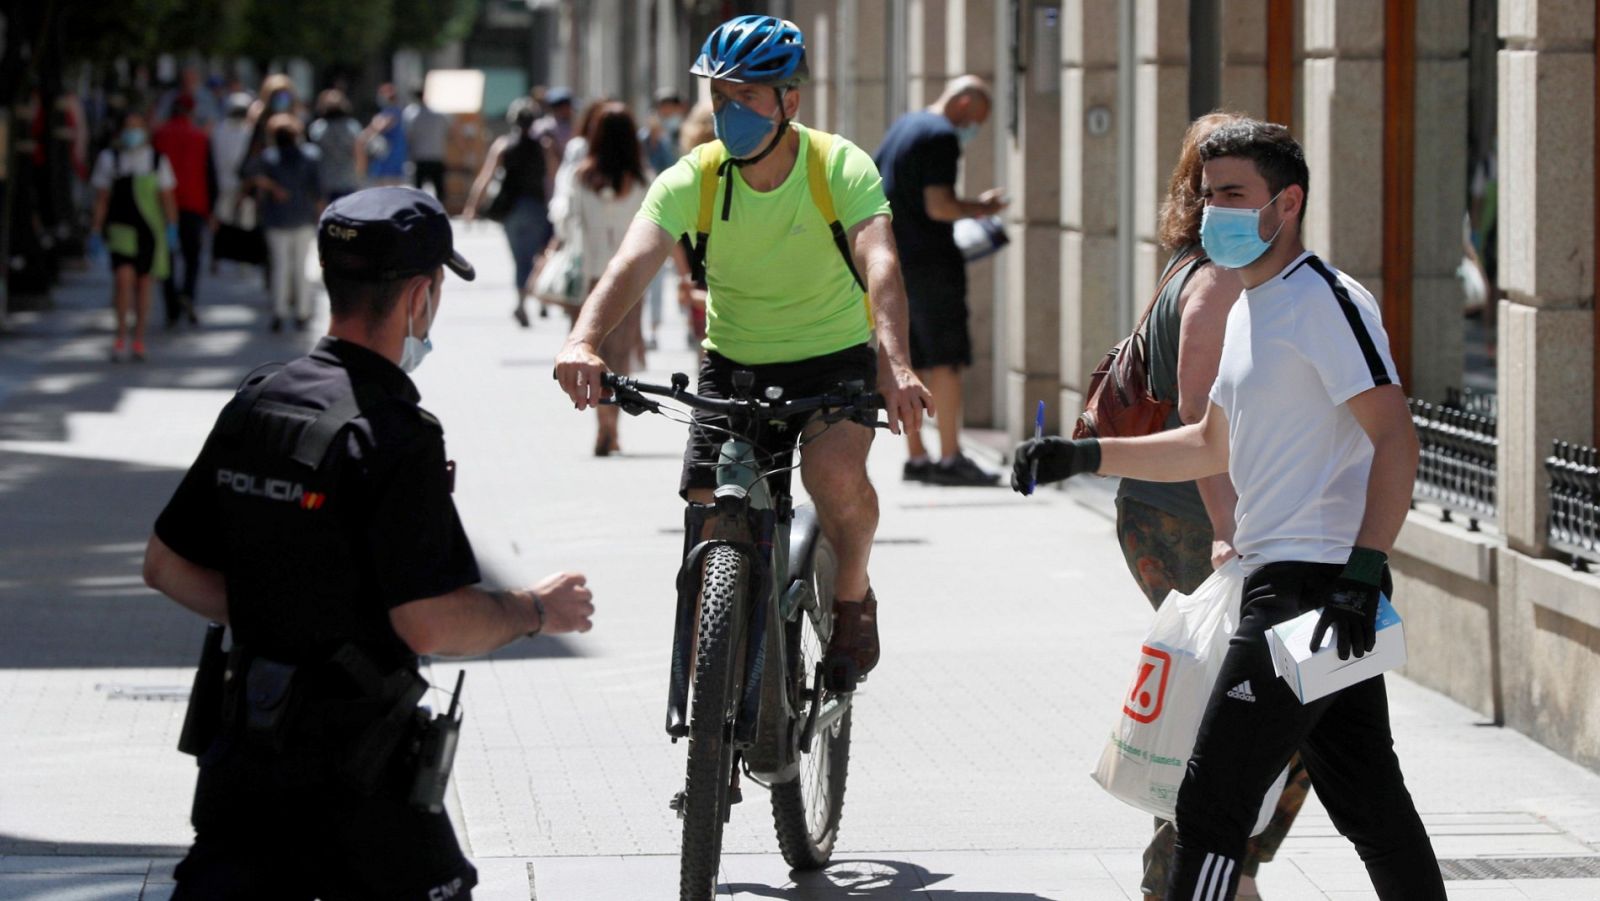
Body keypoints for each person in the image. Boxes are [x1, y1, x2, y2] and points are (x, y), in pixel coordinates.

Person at [1012, 119, 1446, 901]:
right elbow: (1213, 441)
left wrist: (1363, 570)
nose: (1216, 212)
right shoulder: (1248, 304)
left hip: (1311, 595)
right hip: (1281, 583)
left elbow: (1396, 439)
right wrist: (1083, 457)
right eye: (1208, 195)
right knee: (1373, 807)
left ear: (1289, 202)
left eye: (1235, 195)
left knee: (1210, 808)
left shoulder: (1326, 300)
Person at [144, 186, 596, 901]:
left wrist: (279, 614)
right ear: (420, 296)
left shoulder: (261, 398)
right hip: (358, 767)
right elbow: (429, 620)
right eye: (438, 290)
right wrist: (534, 609)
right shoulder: (394, 434)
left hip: (244, 754)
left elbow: (165, 564)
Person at [554, 15, 933, 691]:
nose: (730, 111)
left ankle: (852, 597)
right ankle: (711, 706)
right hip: (734, 365)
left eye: (748, 96)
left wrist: (895, 364)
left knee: (833, 476)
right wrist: (584, 339)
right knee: (709, 511)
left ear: (791, 100)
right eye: (720, 95)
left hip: (833, 358)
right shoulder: (694, 179)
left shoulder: (836, 166)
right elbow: (629, 264)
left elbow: (882, 264)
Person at [1113, 111, 1310, 901]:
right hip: (1195, 521)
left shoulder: (1199, 268)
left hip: (1184, 517)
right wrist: (1231, 530)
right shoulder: (1216, 281)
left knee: (1228, 706)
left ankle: (1212, 870)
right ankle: (1202, 870)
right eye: (1219, 184)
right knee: (1247, 709)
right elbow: (1204, 426)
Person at [874, 75, 1006, 486]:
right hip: (932, 263)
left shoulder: (905, 125)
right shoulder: (940, 135)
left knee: (910, 361)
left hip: (898, 260)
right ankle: (950, 456)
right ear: (964, 103)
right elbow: (939, 205)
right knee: (947, 360)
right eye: (977, 120)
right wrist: (979, 208)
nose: (973, 130)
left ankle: (917, 457)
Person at [564, 102, 650, 455]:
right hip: (629, 281)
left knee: (591, 351)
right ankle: (613, 425)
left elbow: (570, 223)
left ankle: (601, 425)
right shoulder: (644, 180)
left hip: (590, 278)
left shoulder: (581, 176)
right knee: (620, 354)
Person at [89, 110, 179, 362]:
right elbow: (102, 199)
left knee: (143, 284)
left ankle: (138, 338)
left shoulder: (157, 160)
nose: (132, 132)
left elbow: (167, 198)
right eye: (128, 126)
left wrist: (172, 227)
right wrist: (96, 230)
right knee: (123, 280)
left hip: (149, 232)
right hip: (121, 231)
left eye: (137, 126)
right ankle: (120, 336)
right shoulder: (110, 159)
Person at [464, 99, 551, 328]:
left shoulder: (503, 145)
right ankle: (533, 299)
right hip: (535, 207)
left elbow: (486, 177)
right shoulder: (543, 146)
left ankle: (522, 301)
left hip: (511, 210)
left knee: (520, 259)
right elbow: (551, 179)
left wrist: (472, 206)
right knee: (534, 257)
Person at [245, 114, 322, 331]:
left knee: (280, 266)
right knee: (300, 267)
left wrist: (272, 188)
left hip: (277, 219)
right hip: (302, 217)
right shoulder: (309, 156)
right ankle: (302, 312)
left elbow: (250, 175)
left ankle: (279, 312)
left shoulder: (269, 157)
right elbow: (317, 190)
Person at [153, 94, 216, 328]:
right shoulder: (200, 137)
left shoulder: (159, 135)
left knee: (165, 257)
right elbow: (210, 174)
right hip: (194, 204)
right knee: (192, 257)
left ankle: (171, 306)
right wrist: (211, 208)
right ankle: (187, 295)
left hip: (163, 204)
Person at [640, 88, 689, 349]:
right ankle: (654, 329)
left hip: (686, 213)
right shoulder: (646, 138)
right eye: (663, 107)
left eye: (672, 107)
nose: (668, 112)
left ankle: (691, 324)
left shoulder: (686, 133)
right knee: (655, 274)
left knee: (687, 274)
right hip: (659, 212)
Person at [309, 89, 365, 205]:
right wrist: (359, 177)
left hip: (325, 183)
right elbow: (359, 154)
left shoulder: (317, 128)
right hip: (346, 182)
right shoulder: (352, 127)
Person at [404, 87, 450, 199]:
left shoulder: (410, 115)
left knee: (418, 192)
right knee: (439, 190)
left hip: (419, 157)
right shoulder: (439, 114)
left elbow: (408, 136)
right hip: (436, 156)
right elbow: (447, 133)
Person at [364, 83, 409, 187]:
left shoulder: (394, 112)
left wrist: (367, 133)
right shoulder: (386, 112)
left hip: (391, 157)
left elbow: (379, 127)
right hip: (384, 157)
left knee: (390, 187)